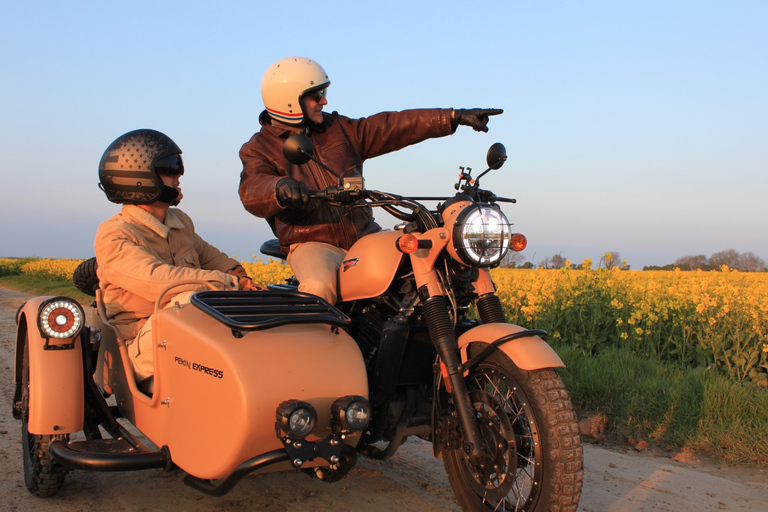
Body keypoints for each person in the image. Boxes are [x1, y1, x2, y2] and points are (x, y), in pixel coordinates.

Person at [239, 56, 502, 304]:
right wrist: (280, 189)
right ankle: (312, 350)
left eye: (324, 94)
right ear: (288, 101)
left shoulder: (339, 129)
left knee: (429, 257)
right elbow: (252, 189)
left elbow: (392, 126)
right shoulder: (259, 148)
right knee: (319, 286)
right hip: (313, 243)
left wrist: (452, 117)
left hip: (365, 237)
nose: (323, 102)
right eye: (315, 96)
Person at [95, 129, 261, 383]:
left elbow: (209, 255)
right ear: (139, 178)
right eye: (170, 168)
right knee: (189, 302)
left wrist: (240, 276)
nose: (179, 175)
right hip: (141, 345)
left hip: (188, 338)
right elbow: (157, 280)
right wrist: (229, 285)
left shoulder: (180, 222)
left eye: (178, 167)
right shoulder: (114, 235)